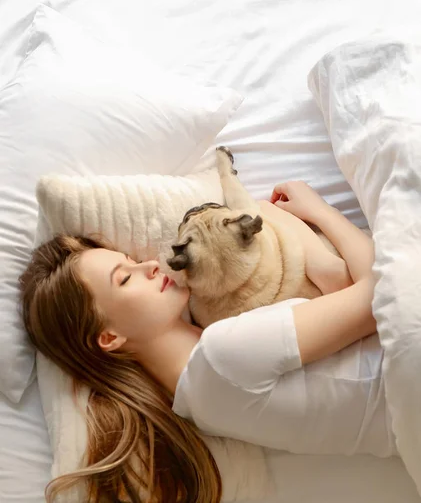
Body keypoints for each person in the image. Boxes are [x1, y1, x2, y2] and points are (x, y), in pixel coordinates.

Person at [20, 182, 394, 503]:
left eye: (132, 259)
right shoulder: (220, 356)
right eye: (124, 278)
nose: (151, 264)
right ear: (109, 337)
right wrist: (315, 210)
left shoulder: (199, 403)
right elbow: (382, 297)